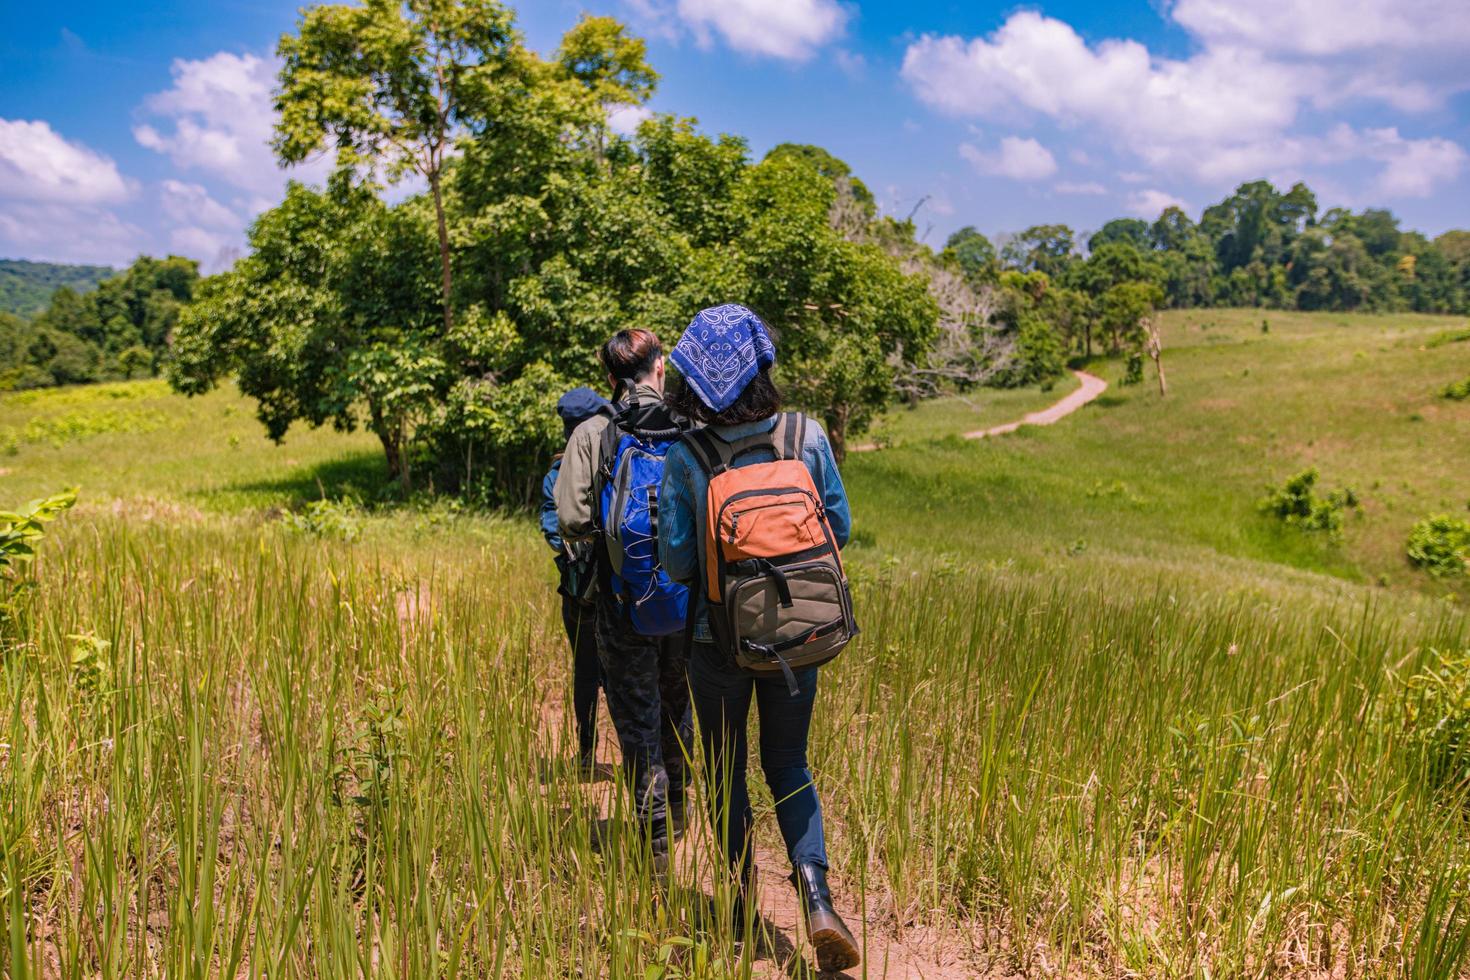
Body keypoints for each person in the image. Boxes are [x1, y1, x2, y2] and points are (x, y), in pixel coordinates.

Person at [657, 304, 860, 971]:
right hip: (799, 634)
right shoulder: (808, 434)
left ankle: (743, 906)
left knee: (725, 772)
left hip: (719, 643)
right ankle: (817, 896)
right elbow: (840, 528)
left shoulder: (686, 455)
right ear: (762, 366)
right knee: (788, 765)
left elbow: (679, 563)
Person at [555, 329, 693, 867]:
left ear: (611, 379)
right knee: (677, 703)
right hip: (684, 602)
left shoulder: (594, 431)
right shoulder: (689, 424)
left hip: (621, 601)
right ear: (660, 368)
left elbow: (571, 516)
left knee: (637, 717)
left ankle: (654, 841)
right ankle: (680, 808)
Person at [541, 387, 612, 775]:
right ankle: (599, 753)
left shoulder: (558, 468)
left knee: (586, 668)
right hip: (604, 584)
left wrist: (571, 549)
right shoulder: (616, 456)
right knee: (606, 669)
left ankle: (586, 753)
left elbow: (551, 525)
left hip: (576, 587)